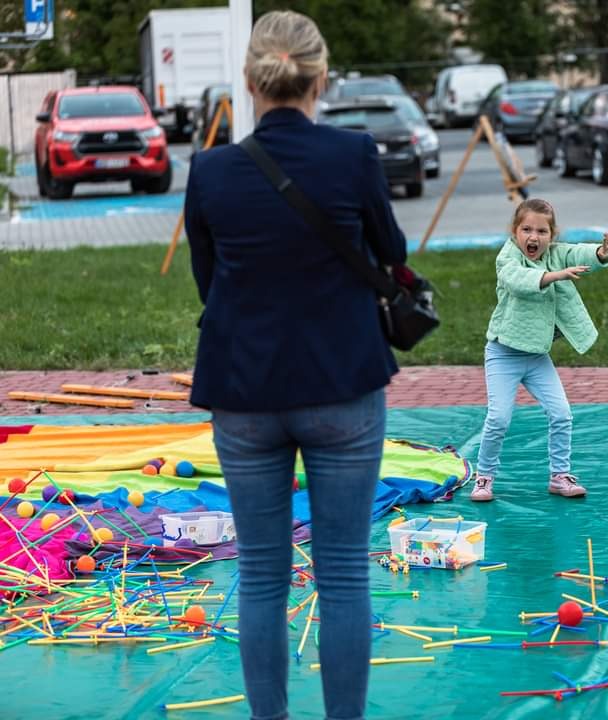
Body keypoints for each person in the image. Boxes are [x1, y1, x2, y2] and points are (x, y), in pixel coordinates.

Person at [184, 10, 404, 720]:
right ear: (323, 79)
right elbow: (392, 254)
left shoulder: (212, 170)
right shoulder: (354, 155)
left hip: (244, 391)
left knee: (260, 577)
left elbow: (207, 281)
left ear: (249, 82)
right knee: (342, 575)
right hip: (343, 383)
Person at [472, 199, 608, 502]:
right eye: (526, 229)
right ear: (515, 231)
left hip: (536, 357)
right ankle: (483, 477)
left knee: (562, 414)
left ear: (551, 235)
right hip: (503, 354)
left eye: (541, 231)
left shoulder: (554, 254)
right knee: (498, 419)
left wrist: (600, 254)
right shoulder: (507, 258)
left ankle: (559, 476)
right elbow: (518, 281)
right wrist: (555, 276)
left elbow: (575, 252)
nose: (533, 237)